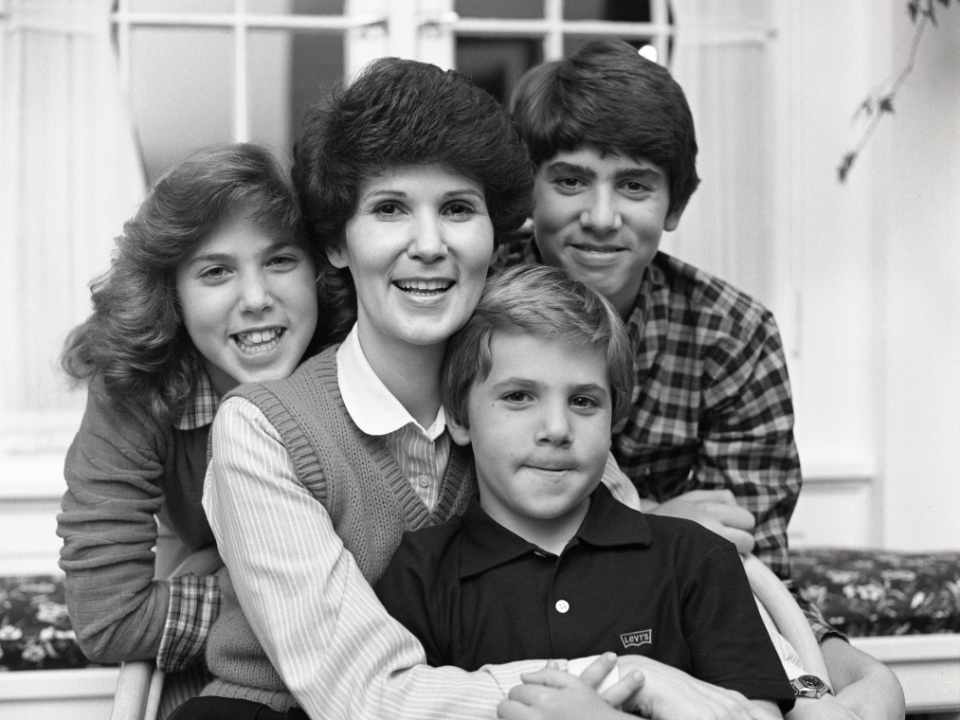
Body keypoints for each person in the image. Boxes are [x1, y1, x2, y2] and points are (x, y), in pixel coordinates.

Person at [175, 58, 774, 720]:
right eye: (389, 209)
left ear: (496, 236)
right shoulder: (264, 429)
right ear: (337, 245)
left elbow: (641, 568)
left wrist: (808, 692)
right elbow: (364, 697)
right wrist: (638, 676)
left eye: (458, 209)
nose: (429, 245)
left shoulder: (533, 402)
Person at [502, 38, 904, 719]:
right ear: (527, 192)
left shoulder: (733, 334)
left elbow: (752, 571)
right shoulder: (479, 309)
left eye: (635, 185)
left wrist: (838, 671)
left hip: (688, 639)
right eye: (569, 181)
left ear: (676, 204)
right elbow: (461, 528)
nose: (600, 216)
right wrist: (655, 525)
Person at [375, 264, 795, 719]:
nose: (557, 429)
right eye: (518, 396)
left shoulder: (695, 558)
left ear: (613, 421)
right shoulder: (419, 575)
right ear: (459, 418)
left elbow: (758, 716)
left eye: (583, 401)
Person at [57, 143, 320, 674]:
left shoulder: (355, 356)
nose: (256, 298)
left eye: (280, 260)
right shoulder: (135, 383)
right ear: (171, 294)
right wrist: (260, 596)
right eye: (216, 272)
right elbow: (108, 618)